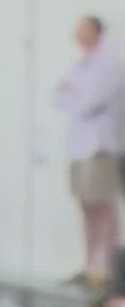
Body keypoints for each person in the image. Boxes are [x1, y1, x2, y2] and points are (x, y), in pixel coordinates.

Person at [55, 15, 124, 290]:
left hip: (99, 145)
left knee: (102, 206)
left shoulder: (108, 65)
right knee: (85, 205)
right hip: (78, 146)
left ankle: (104, 268)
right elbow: (58, 96)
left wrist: (73, 96)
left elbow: (89, 102)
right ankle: (89, 265)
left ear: (95, 31)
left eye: (82, 28)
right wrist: (72, 96)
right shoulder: (78, 65)